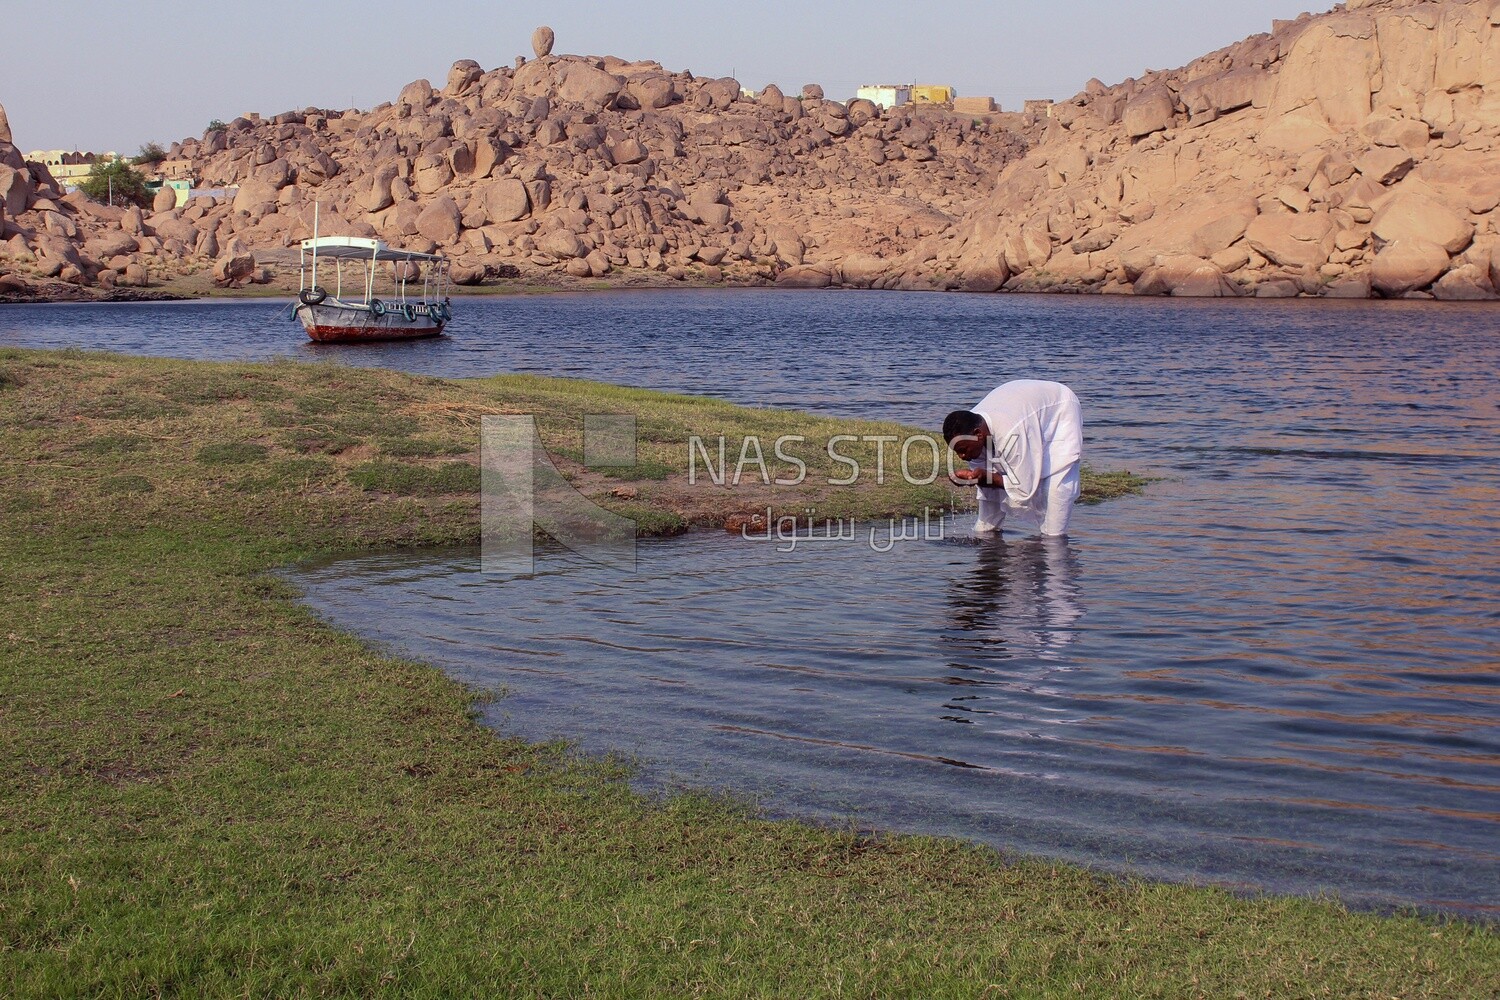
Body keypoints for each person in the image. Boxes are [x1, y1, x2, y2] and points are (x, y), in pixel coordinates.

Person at [942, 380, 1083, 537]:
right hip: (1021, 408)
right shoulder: (971, 427)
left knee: (1056, 492)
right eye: (957, 452)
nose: (962, 457)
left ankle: (1054, 551)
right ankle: (987, 535)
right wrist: (977, 477)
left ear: (978, 434)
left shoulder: (1011, 433)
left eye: (963, 450)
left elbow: (1023, 489)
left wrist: (985, 477)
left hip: (1060, 409)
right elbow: (987, 478)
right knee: (988, 507)